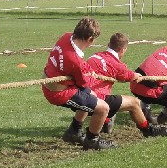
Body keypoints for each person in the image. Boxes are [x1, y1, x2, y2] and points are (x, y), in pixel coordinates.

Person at [42, 17, 116, 150]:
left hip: (53, 82)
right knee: (103, 108)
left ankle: (74, 131)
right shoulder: (75, 61)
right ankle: (92, 140)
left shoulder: (66, 36)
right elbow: (84, 83)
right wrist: (89, 75)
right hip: (58, 92)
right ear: (90, 39)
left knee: (91, 96)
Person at [86, 32, 167, 139]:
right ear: (123, 50)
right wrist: (137, 76)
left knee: (108, 95)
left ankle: (102, 123)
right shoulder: (117, 65)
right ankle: (148, 130)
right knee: (134, 103)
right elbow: (128, 76)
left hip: (81, 96)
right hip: (95, 100)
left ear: (109, 44)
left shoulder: (94, 56)